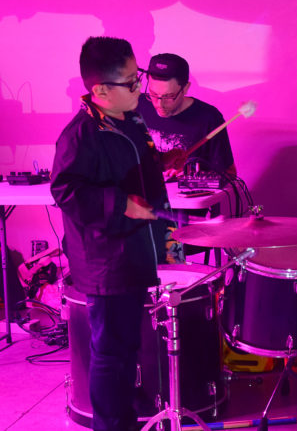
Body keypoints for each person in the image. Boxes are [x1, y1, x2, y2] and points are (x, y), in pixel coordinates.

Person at [51, 37, 181, 430]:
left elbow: (133, 167)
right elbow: (66, 189)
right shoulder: (80, 135)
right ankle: (111, 423)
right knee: (109, 351)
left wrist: (161, 163)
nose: (140, 87)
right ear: (100, 90)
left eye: (136, 76)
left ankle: (125, 409)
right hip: (106, 260)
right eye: (130, 81)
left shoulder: (129, 118)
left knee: (127, 344)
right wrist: (121, 204)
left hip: (133, 251)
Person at [136, 53, 236, 180]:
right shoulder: (136, 105)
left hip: (184, 198)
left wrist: (193, 176)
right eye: (153, 93)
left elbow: (230, 174)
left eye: (168, 96)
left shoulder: (209, 118)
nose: (159, 104)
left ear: (186, 88)